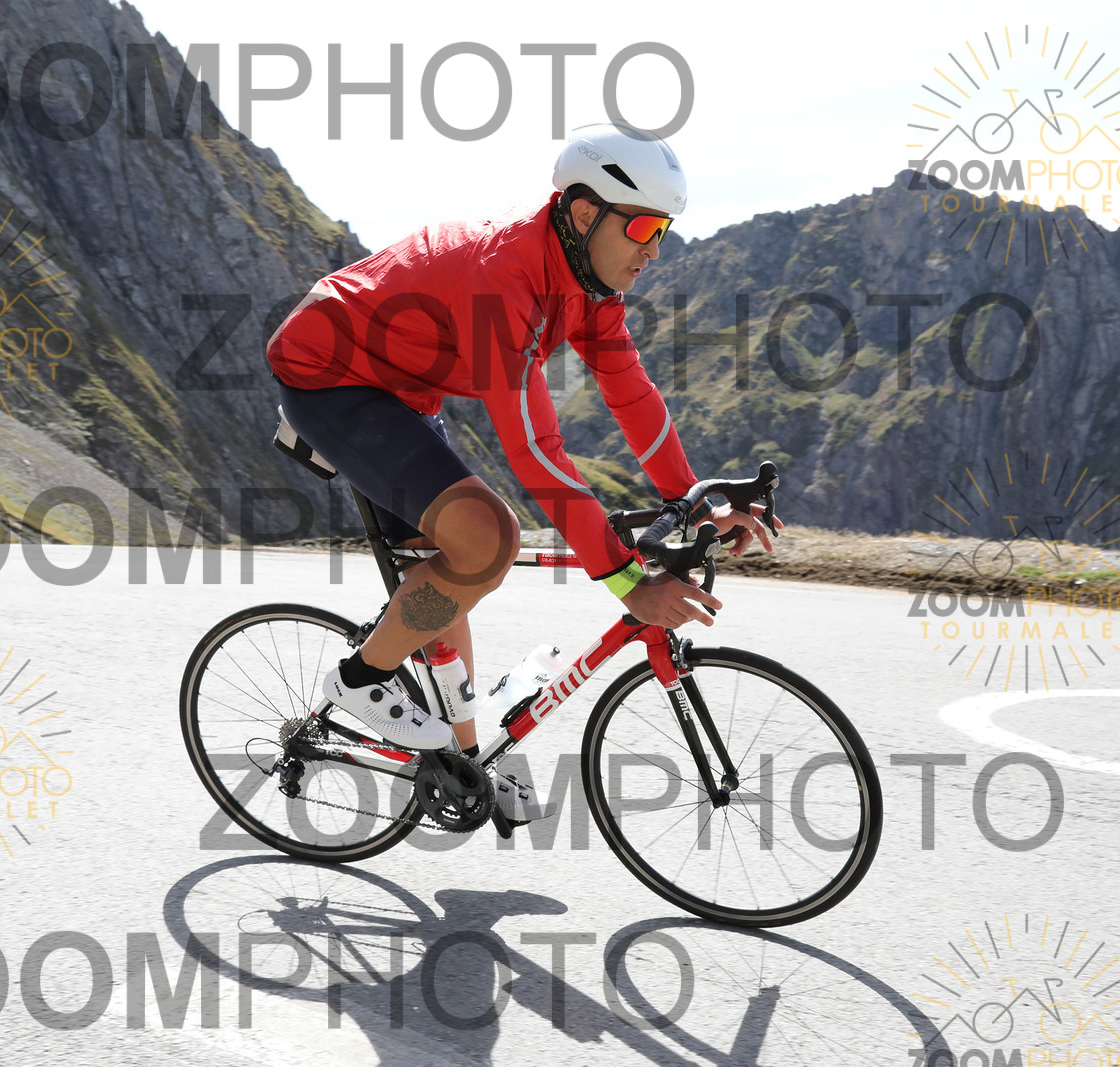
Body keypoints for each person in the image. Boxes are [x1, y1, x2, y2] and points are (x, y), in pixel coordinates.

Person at [266, 123, 774, 825]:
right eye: (644, 227)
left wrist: (690, 501)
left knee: (446, 578)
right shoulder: (504, 277)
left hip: (404, 392)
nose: (655, 249)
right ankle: (361, 679)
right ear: (586, 213)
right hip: (330, 375)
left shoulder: (588, 283)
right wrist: (627, 582)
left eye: (665, 230)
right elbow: (536, 450)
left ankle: (464, 763)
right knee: (488, 541)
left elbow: (631, 394)